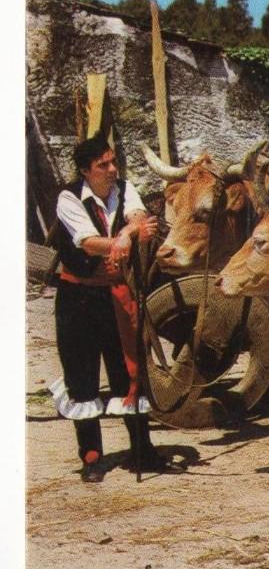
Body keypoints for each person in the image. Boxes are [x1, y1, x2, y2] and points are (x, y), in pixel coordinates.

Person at [50, 134, 177, 482]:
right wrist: (126, 236)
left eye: (112, 161)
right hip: (78, 298)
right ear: (85, 170)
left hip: (117, 293)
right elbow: (88, 242)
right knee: (82, 376)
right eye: (102, 165)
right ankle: (92, 457)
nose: (111, 169)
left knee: (129, 371)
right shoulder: (68, 197)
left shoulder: (124, 188)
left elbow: (140, 218)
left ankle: (142, 450)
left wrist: (126, 233)